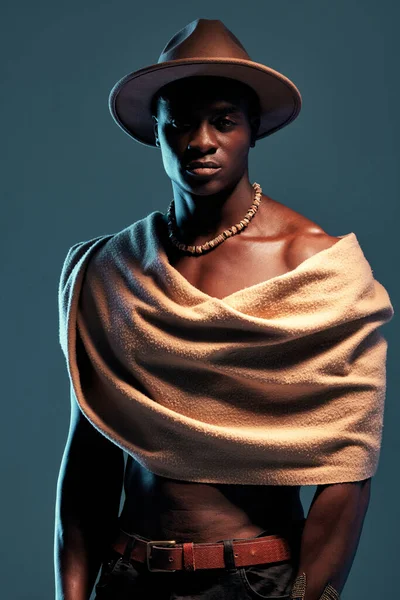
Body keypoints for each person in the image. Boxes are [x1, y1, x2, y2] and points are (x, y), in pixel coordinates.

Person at [54, 19, 394, 600]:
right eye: (180, 123)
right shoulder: (109, 271)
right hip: (128, 577)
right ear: (155, 135)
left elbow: (347, 475)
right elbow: (89, 457)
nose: (201, 140)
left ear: (253, 130)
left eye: (224, 121)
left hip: (256, 581)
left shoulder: (318, 272)